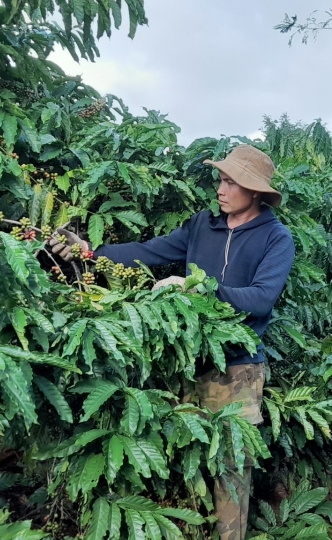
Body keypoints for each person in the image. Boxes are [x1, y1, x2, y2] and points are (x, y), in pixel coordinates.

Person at [48, 144, 295, 540]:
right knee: (179, 452)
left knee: (231, 465)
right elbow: (148, 251)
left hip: (237, 367)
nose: (221, 188)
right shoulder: (202, 225)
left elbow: (261, 298)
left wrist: (196, 286)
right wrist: (90, 251)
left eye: (231, 182)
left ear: (255, 192)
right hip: (184, 359)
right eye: (221, 179)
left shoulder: (276, 238)